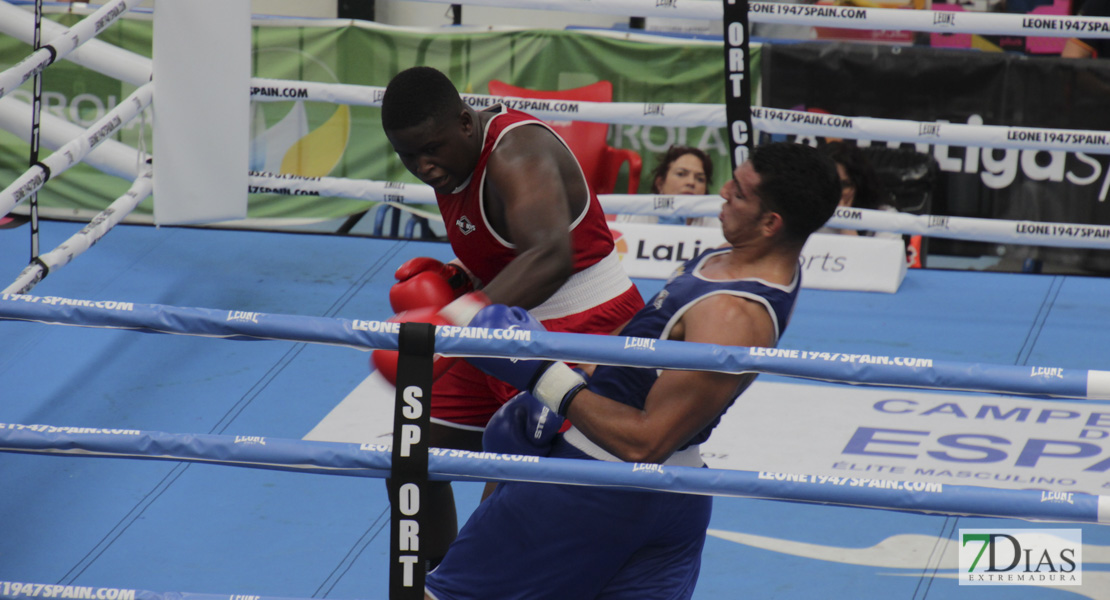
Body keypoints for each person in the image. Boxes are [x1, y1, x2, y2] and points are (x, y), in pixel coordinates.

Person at [424, 142, 841, 599]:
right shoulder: (740, 260)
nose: (722, 191)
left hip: (595, 488)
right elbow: (648, 337)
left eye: (739, 193)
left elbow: (646, 444)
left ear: (771, 223)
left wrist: (541, 375)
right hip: (667, 500)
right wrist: (578, 368)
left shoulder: (730, 316)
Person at [376, 66, 645, 568]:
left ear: (463, 121)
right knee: (411, 458)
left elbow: (549, 255)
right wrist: (461, 276)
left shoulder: (516, 153)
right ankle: (432, 584)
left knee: (504, 508)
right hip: (499, 326)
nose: (423, 166)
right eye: (407, 155)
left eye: (431, 148)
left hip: (578, 326)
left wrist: (453, 320)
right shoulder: (453, 158)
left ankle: (470, 587)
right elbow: (504, 244)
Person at [817, 141, 900, 239]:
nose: (835, 192)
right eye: (829, 183)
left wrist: (844, 219)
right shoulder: (803, 215)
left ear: (859, 186)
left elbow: (867, 254)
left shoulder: (885, 217)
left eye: (844, 185)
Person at [617, 145, 715, 225]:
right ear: (660, 184)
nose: (691, 182)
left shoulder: (715, 219)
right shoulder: (635, 212)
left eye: (700, 179)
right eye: (681, 174)